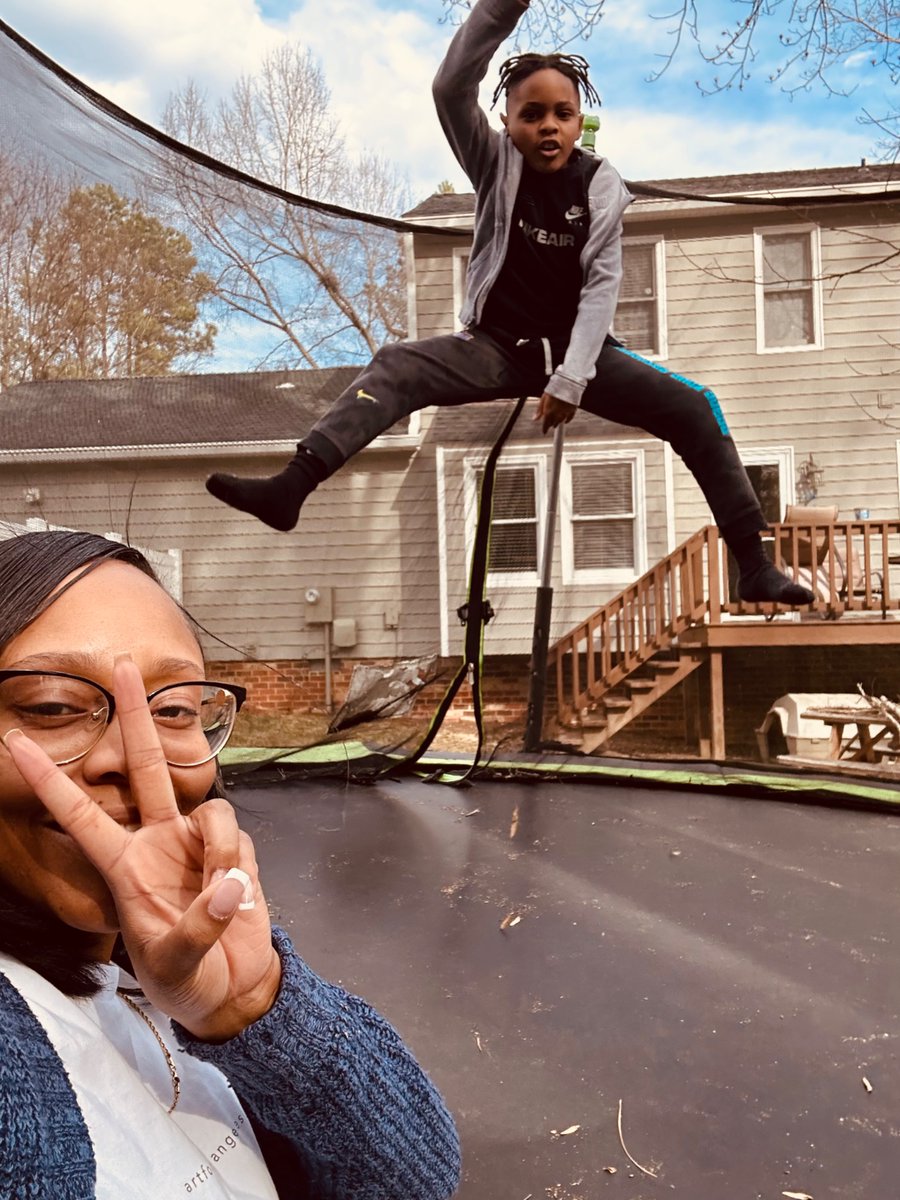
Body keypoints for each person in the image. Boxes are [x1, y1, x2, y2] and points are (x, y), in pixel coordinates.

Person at [205, 0, 813, 607]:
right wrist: (501, 9)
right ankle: (292, 486)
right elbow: (449, 87)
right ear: (507, 120)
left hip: (582, 355)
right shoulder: (494, 163)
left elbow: (602, 285)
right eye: (532, 114)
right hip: (497, 347)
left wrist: (572, 378)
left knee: (696, 407)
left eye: (562, 114)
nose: (548, 126)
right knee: (397, 365)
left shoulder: (601, 184)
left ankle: (753, 563)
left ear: (579, 123)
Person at [0, 529, 461, 1200]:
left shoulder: (172, 969)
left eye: (176, 708)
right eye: (53, 707)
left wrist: (254, 1008)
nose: (136, 756)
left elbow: (415, 1182)